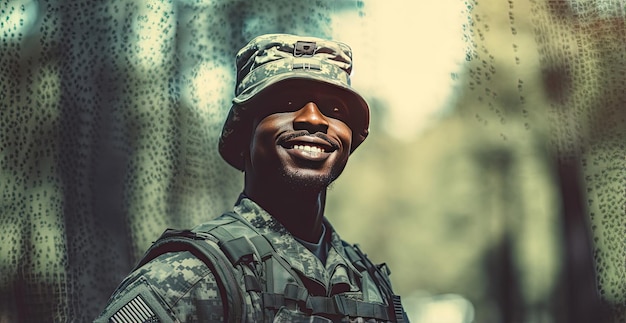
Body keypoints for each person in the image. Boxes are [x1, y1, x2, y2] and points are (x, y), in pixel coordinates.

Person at [95, 33, 409, 323]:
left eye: (334, 109)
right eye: (285, 104)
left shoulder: (368, 281)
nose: (313, 119)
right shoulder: (191, 275)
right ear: (244, 133)